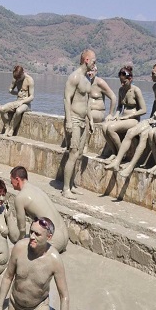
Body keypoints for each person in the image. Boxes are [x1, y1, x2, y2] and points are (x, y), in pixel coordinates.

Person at [0, 217, 69, 310]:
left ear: (49, 237)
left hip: (38, 307)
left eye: (37, 234)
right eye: (31, 231)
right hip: (15, 303)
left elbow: (64, 296)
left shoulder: (55, 260)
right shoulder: (19, 247)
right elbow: (7, 277)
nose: (32, 237)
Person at [106, 63, 156, 177]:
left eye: (153, 74)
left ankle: (131, 166)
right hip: (154, 119)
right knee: (131, 132)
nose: (151, 76)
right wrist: (150, 119)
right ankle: (117, 161)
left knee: (145, 134)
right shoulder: (155, 87)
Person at [10, 165, 67, 253]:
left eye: (11, 180)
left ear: (17, 179)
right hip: (65, 236)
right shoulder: (36, 189)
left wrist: (19, 245)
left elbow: (22, 229)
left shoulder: (20, 198)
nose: (10, 183)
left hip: (53, 240)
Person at [61, 49, 95, 198]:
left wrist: (91, 119)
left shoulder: (87, 80)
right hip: (74, 119)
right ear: (86, 60)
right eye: (93, 60)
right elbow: (66, 99)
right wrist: (68, 120)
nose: (95, 63)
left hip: (83, 121)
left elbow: (87, 103)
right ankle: (65, 189)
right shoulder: (74, 77)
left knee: (79, 154)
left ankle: (72, 184)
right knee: (73, 154)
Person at [102, 66, 146, 162]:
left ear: (130, 79)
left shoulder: (136, 90)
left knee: (111, 128)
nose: (122, 84)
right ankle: (114, 152)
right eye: (121, 82)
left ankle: (121, 153)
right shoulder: (121, 90)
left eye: (124, 82)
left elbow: (143, 110)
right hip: (123, 118)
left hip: (133, 119)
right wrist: (115, 116)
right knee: (104, 127)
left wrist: (129, 116)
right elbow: (119, 107)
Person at [0, 65, 35, 137]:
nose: (18, 79)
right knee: (2, 109)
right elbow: (10, 90)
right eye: (17, 78)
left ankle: (12, 129)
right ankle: (7, 127)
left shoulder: (29, 80)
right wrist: (15, 92)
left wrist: (22, 102)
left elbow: (32, 97)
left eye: (19, 78)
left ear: (23, 73)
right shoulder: (16, 78)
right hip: (17, 101)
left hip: (26, 104)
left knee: (18, 111)